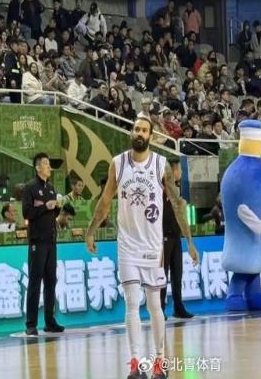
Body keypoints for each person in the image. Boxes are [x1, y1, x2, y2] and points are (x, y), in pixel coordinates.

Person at [85, 117, 199, 379]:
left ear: (150, 135)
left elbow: (178, 205)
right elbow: (105, 201)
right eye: (136, 129)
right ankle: (135, 363)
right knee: (131, 303)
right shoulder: (118, 163)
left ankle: (160, 361)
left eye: (144, 130)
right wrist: (91, 230)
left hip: (153, 246)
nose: (139, 133)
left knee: (155, 305)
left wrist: (190, 241)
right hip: (127, 245)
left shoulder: (160, 165)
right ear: (131, 132)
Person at [22, 152, 64, 335]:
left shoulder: (51, 189)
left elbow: (52, 215)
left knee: (50, 281)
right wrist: (45, 207)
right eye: (45, 164)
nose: (49, 167)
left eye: (49, 164)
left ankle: (50, 321)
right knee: (35, 281)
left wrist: (57, 208)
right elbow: (26, 213)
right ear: (38, 167)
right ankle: (31, 324)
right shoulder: (30, 188)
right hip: (37, 241)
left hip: (51, 240)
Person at [160, 158, 196, 320]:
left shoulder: (178, 191)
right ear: (173, 171)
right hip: (163, 236)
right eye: (180, 169)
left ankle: (178, 307)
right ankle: (160, 309)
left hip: (176, 235)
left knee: (177, 274)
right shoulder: (161, 188)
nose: (181, 172)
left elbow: (181, 216)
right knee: (163, 274)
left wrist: (189, 241)